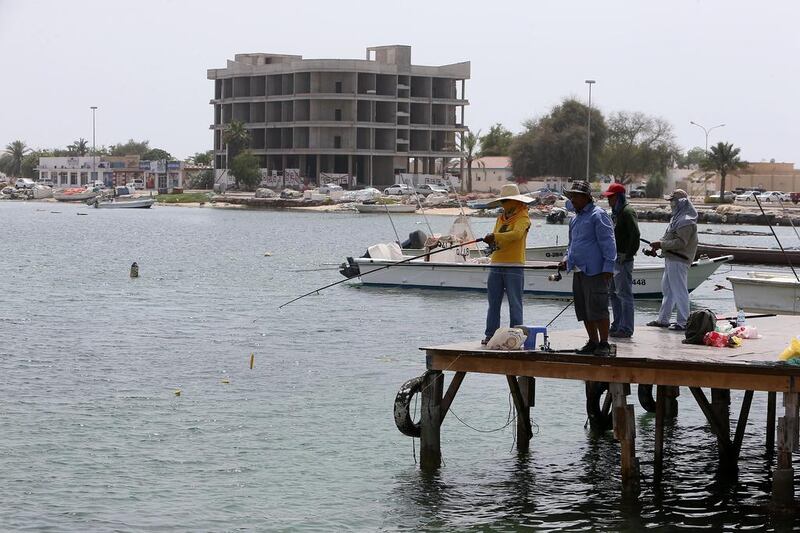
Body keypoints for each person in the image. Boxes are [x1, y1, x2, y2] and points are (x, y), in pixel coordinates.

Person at [558, 180, 617, 356]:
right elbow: (572, 245)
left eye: (575, 196)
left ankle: (604, 343)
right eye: (571, 196)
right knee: (583, 310)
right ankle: (593, 341)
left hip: (596, 270)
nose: (572, 199)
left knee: (598, 307)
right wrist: (566, 259)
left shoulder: (598, 215)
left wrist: (608, 267)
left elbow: (609, 242)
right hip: (578, 270)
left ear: (585, 197)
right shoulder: (575, 219)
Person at [482, 184, 533, 344]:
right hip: (496, 263)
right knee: (493, 303)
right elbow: (496, 239)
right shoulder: (500, 218)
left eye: (506, 200)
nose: (504, 204)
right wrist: (491, 243)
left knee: (515, 303)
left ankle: (516, 335)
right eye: (502, 201)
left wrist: (495, 237)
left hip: (514, 265)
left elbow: (516, 235)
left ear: (515, 201)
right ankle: (490, 335)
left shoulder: (523, 217)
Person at [646, 189, 698, 331]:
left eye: (673, 201)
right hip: (671, 258)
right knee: (668, 291)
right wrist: (657, 246)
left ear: (680, 202)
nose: (671, 204)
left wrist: (661, 244)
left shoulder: (686, 221)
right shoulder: (677, 218)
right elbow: (668, 237)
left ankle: (683, 322)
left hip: (679, 260)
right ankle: (663, 320)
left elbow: (681, 243)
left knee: (679, 290)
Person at [602, 182, 640, 338]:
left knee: (624, 294)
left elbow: (635, 235)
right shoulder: (616, 213)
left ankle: (627, 328)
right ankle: (617, 324)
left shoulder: (627, 212)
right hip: (613, 259)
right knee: (613, 294)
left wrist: (628, 254)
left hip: (623, 260)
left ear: (618, 197)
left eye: (611, 197)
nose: (608, 200)